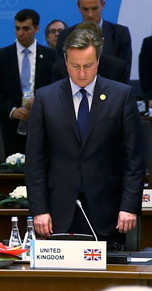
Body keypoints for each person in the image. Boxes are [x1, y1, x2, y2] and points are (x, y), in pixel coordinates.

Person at [26, 23, 144, 245]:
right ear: (65, 60)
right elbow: (35, 161)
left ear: (98, 60)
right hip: (57, 213)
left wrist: (129, 206)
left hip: (109, 212)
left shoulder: (121, 96)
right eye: (75, 66)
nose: (81, 73)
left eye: (88, 66)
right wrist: (39, 210)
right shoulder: (45, 98)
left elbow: (134, 159)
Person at [0, 9, 57, 156]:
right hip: (11, 128)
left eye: (26, 29)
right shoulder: (2, 56)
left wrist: (40, 101)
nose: (20, 33)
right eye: (17, 28)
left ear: (36, 28)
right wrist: (12, 111)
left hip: (43, 125)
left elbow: (57, 89)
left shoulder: (50, 56)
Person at [56, 0, 132, 68]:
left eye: (94, 8)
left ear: (102, 5)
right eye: (85, 9)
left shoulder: (120, 34)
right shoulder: (65, 36)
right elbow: (61, 70)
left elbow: (124, 70)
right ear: (78, 6)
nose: (90, 14)